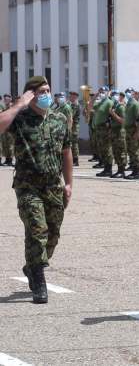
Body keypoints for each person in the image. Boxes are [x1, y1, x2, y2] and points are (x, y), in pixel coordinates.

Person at [0, 76, 73, 304]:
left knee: (53, 234)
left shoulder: (59, 118)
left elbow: (66, 151)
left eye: (48, 90)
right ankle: (39, 280)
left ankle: (32, 266)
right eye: (41, 91)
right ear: (30, 94)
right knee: (37, 230)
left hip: (54, 186)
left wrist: (69, 183)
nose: (47, 95)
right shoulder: (20, 118)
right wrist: (18, 104)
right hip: (28, 186)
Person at [92, 87, 114, 177]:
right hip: (99, 128)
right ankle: (105, 168)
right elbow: (90, 106)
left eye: (103, 92)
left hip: (105, 128)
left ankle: (109, 169)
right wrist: (95, 96)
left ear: (107, 92)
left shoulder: (109, 102)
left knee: (107, 148)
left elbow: (112, 114)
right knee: (102, 148)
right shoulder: (101, 102)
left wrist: (110, 126)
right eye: (100, 92)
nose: (101, 93)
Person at [123, 88, 139, 180]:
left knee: (135, 151)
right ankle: (133, 170)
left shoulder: (135, 104)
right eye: (127, 92)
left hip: (133, 130)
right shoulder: (128, 104)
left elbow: (138, 119)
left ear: (134, 93)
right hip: (128, 130)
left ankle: (136, 172)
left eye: (130, 92)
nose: (128, 94)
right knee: (131, 151)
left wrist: (137, 132)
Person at [108, 90, 128, 178]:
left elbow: (123, 121)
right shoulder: (115, 106)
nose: (114, 97)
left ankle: (122, 171)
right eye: (112, 95)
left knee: (121, 152)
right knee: (116, 151)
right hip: (114, 132)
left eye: (116, 95)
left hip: (120, 132)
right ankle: (119, 169)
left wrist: (113, 114)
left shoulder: (121, 107)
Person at [1, 94, 14, 166]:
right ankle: (7, 159)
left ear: (10, 99)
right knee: (5, 144)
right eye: (5, 99)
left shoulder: (12, 107)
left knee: (10, 145)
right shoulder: (5, 108)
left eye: (7, 99)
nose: (5, 100)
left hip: (11, 129)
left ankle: (10, 160)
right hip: (5, 129)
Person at [68, 91, 81, 166]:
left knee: (74, 143)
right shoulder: (71, 104)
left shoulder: (76, 105)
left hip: (74, 126)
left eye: (72, 96)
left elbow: (71, 114)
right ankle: (73, 159)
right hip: (71, 126)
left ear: (75, 97)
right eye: (70, 96)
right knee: (71, 142)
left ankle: (75, 159)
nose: (70, 97)